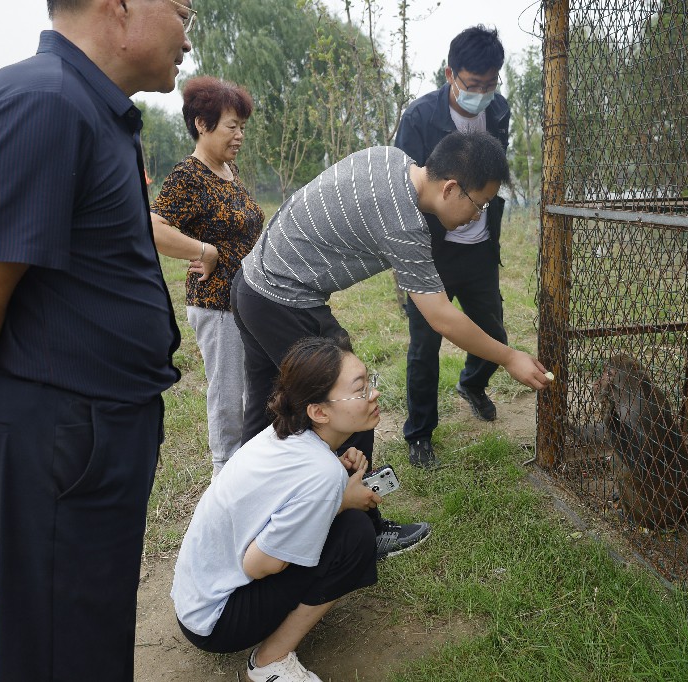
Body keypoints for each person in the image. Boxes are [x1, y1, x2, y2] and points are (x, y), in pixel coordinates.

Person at [0, 0, 192, 678]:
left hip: (83, 432)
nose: (189, 36)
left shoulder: (84, 108)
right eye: (184, 12)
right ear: (120, 5)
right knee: (61, 654)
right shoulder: (44, 104)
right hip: (55, 434)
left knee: (84, 638)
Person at [232, 129, 551, 560]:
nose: (478, 217)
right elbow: (439, 316)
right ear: (451, 187)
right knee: (354, 406)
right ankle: (366, 532)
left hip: (251, 283)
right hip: (283, 298)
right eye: (479, 205)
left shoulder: (390, 158)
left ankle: (245, 521)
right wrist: (510, 356)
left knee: (264, 416)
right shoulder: (405, 222)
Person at [172, 336, 382, 682]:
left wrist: (334, 493)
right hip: (217, 621)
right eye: (360, 390)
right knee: (357, 535)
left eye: (370, 382)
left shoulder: (285, 434)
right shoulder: (321, 473)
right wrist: (341, 501)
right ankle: (270, 660)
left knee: (344, 525)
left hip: (194, 599)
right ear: (318, 411)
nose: (372, 394)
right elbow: (259, 565)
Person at [395, 25, 511, 469]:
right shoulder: (420, 118)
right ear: (450, 74)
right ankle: (420, 434)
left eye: (490, 84)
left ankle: (472, 383)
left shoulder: (498, 111)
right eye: (472, 85)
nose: (482, 94)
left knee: (494, 332)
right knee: (424, 346)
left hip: (479, 247)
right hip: (431, 250)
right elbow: (404, 189)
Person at [152, 76, 264, 476]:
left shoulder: (229, 170)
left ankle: (250, 473)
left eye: (242, 128)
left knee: (256, 393)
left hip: (248, 303)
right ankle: (224, 477)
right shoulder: (190, 175)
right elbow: (153, 225)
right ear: (203, 124)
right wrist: (205, 251)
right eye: (232, 126)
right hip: (217, 304)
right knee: (227, 396)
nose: (239, 135)